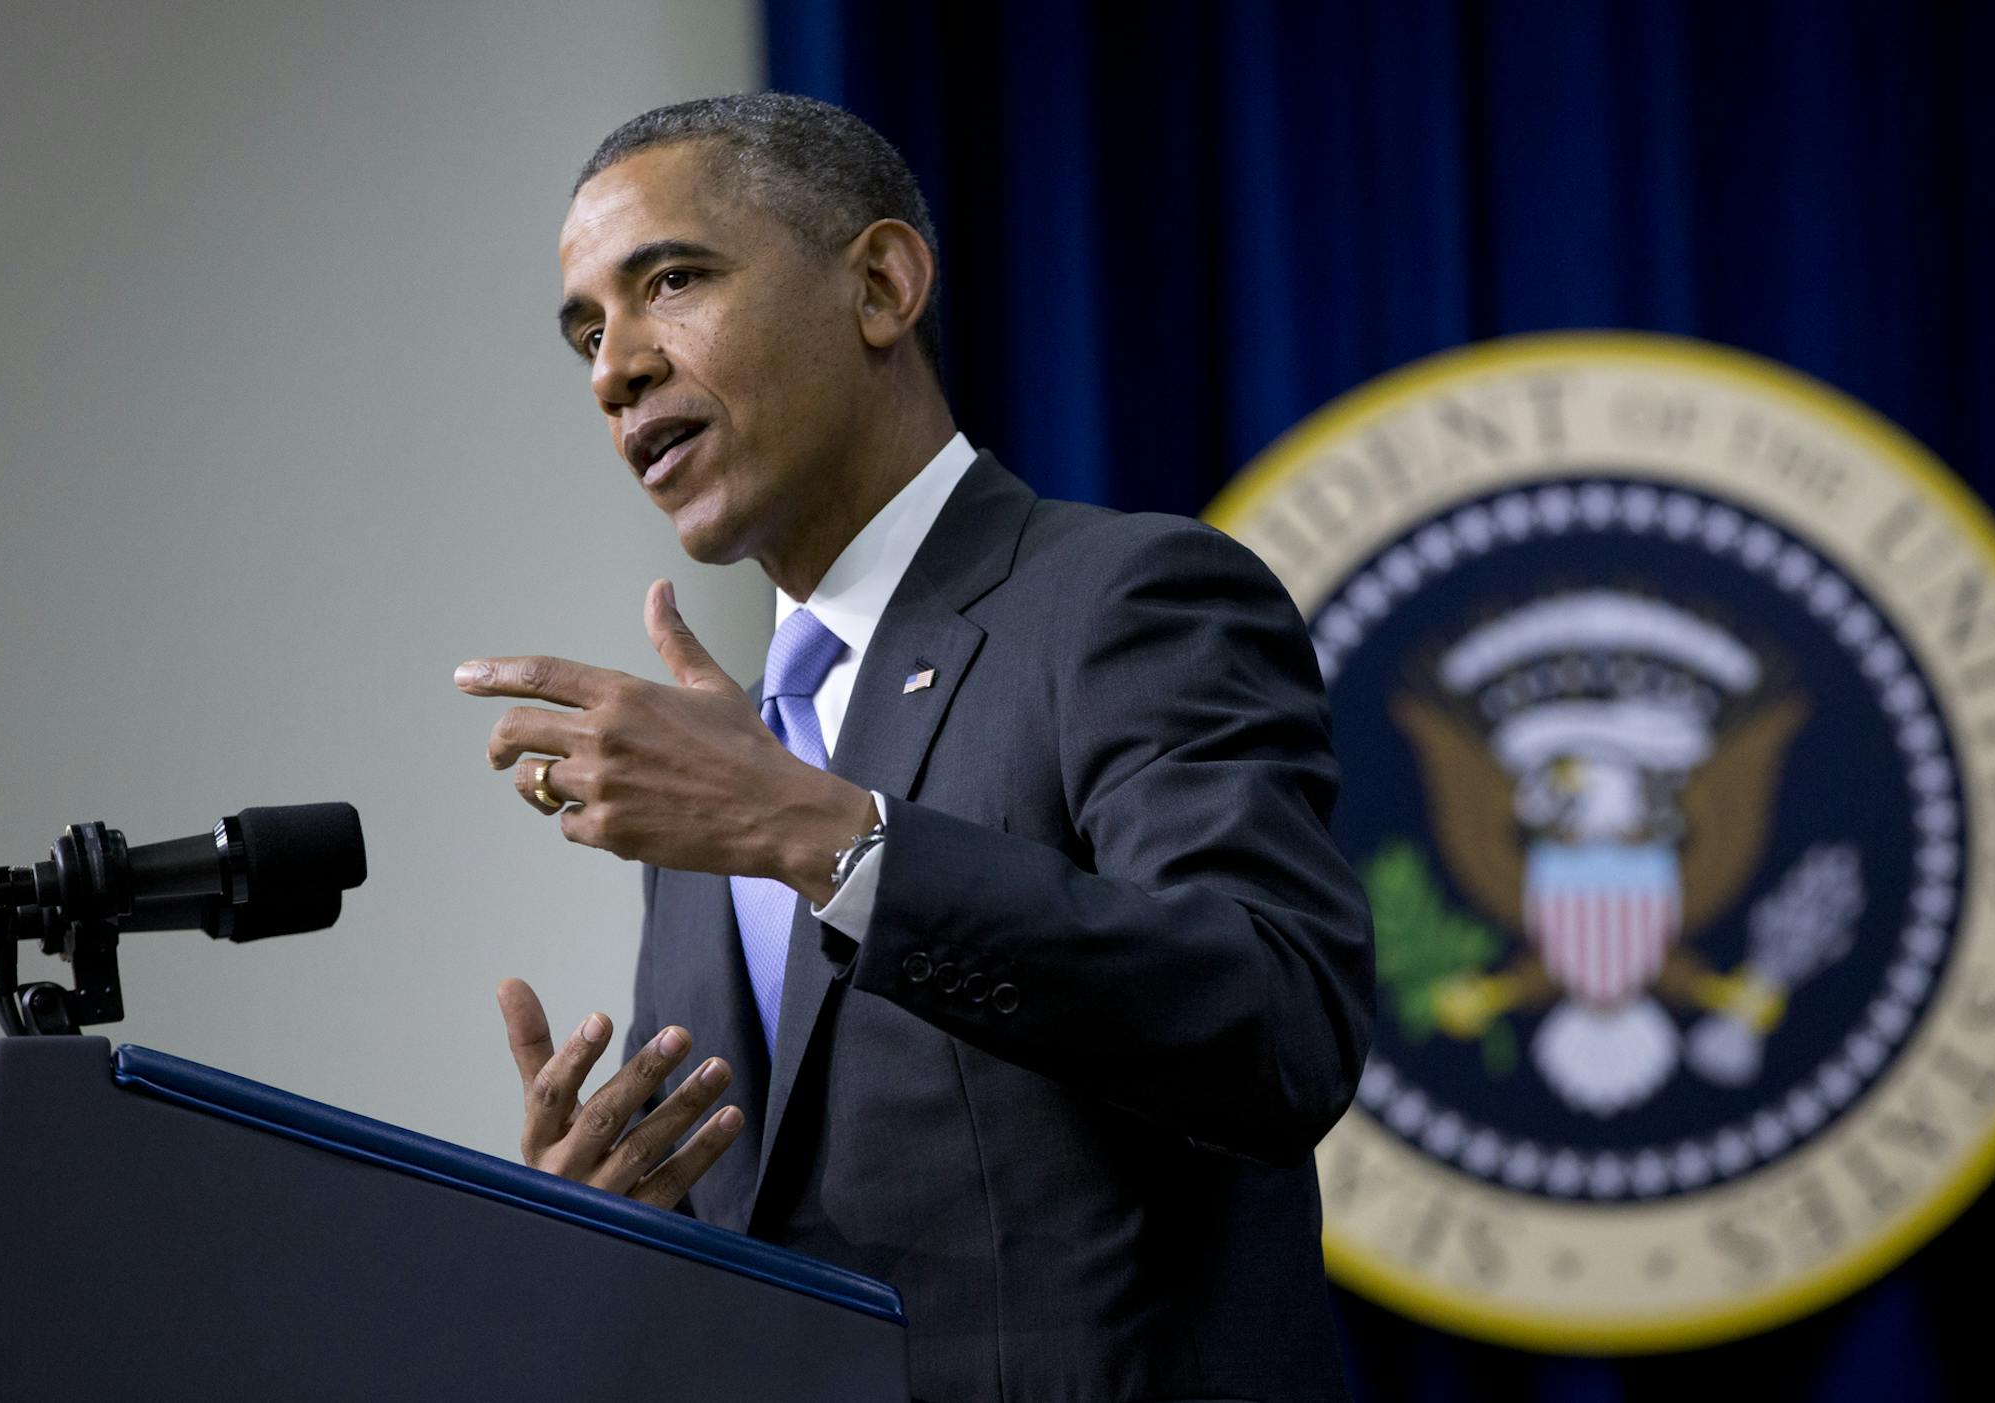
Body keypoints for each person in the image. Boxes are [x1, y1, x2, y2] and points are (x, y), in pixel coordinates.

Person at [455, 93, 1374, 1401]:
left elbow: (1280, 1026)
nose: (616, 368)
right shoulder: (733, 752)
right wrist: (611, 1221)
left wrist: (820, 837)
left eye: (671, 281)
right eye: (586, 334)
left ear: (881, 285)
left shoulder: (1125, 597)